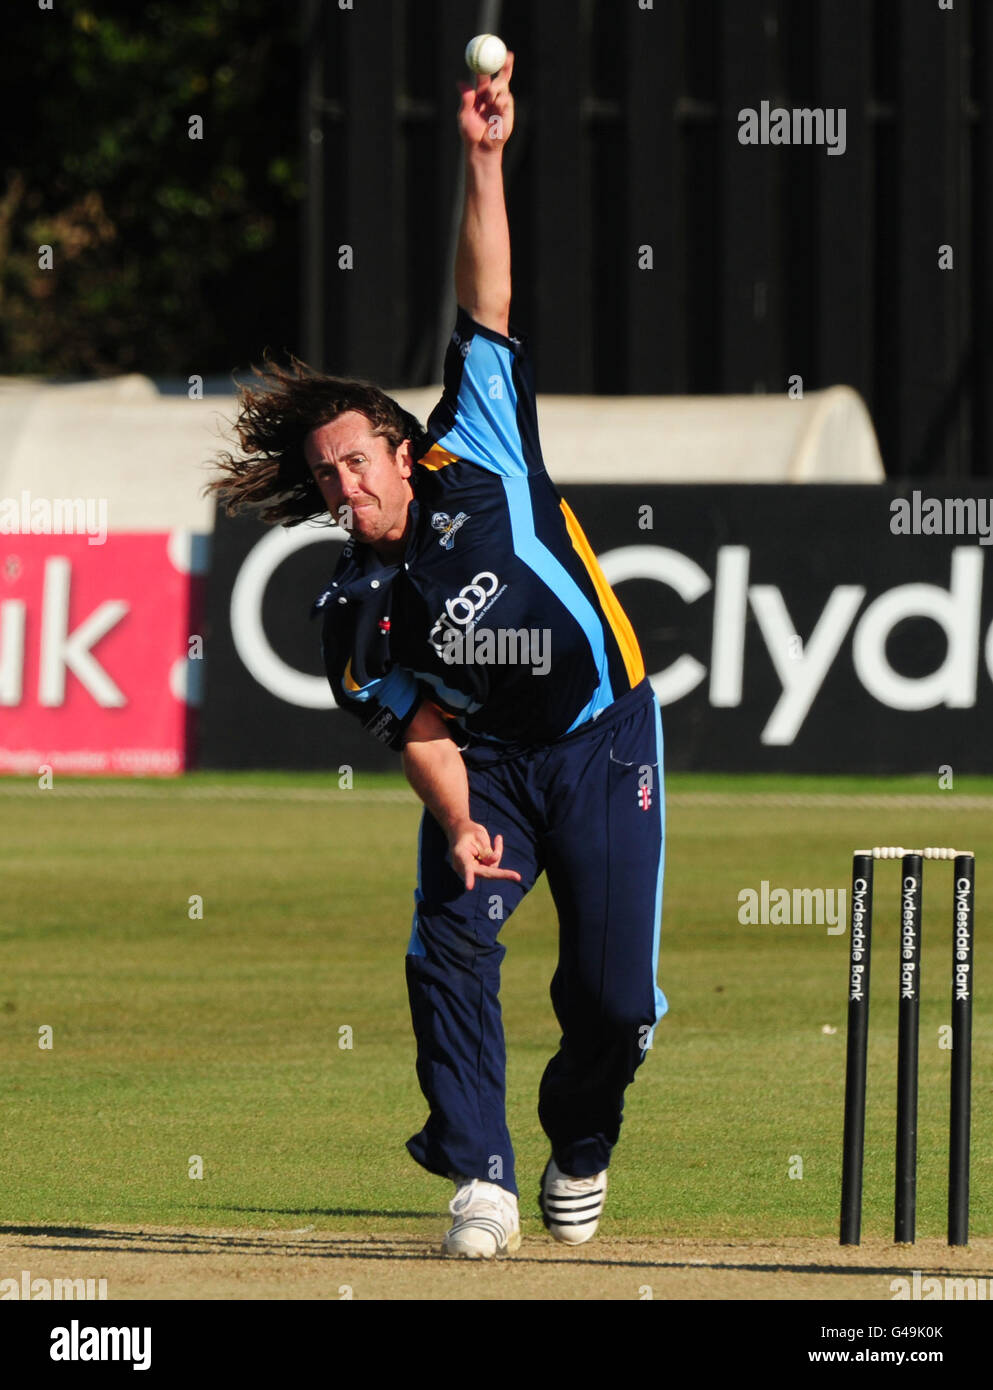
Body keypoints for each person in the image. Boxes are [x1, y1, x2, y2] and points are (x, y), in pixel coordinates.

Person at [206, 52, 667, 1259]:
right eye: (326, 477)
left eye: (359, 459)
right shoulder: (350, 606)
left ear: (403, 451)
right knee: (450, 937)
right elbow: (415, 723)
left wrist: (481, 157)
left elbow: (487, 298)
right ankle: (479, 1176)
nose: (346, 484)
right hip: (491, 766)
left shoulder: (480, 442)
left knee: (615, 1007)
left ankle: (578, 1131)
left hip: (605, 733)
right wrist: (459, 821)